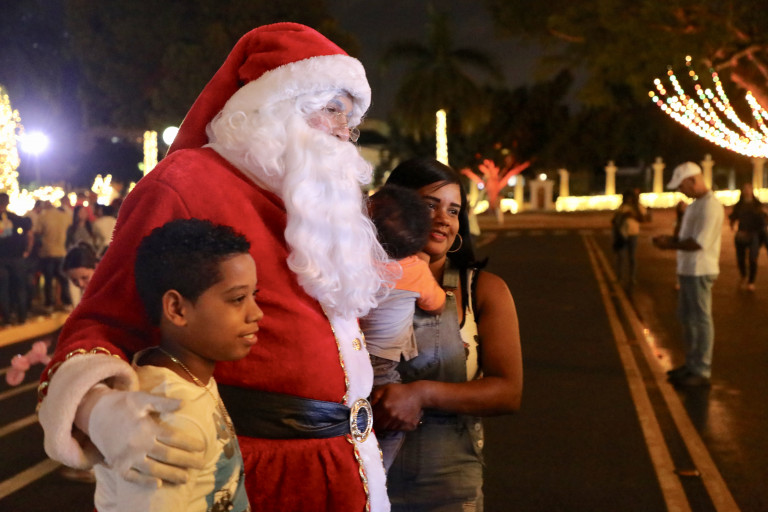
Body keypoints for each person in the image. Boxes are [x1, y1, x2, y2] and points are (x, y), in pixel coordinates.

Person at [37, 23, 391, 512]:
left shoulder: (315, 199)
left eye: (350, 120)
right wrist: (100, 407)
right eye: (333, 109)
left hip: (343, 468)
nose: (344, 133)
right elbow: (104, 319)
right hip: (255, 477)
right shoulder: (188, 184)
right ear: (277, 106)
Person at [374, 157, 523, 512]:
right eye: (430, 205)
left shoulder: (483, 290)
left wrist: (421, 394)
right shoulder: (357, 279)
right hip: (363, 477)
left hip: (448, 489)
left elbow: (508, 391)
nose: (444, 219)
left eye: (454, 211)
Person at [90, 219, 259, 512]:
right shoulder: (170, 413)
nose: (256, 313)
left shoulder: (183, 375)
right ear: (177, 309)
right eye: (238, 299)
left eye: (254, 295)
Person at [360, 184, 446, 471]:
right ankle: (378, 474)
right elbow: (436, 305)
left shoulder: (354, 261)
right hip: (384, 364)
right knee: (391, 427)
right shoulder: (416, 270)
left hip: (348, 355)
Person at [653, 162, 724, 388]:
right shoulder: (695, 206)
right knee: (688, 319)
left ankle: (701, 369)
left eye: (681, 186)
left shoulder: (711, 207)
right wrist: (671, 238)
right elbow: (684, 236)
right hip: (687, 269)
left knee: (700, 320)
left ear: (693, 181)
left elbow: (698, 243)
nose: (680, 191)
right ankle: (692, 364)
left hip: (700, 270)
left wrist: (669, 244)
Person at [0, 192, 33, 325]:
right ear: (8, 202)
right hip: (17, 257)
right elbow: (30, 234)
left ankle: (7, 318)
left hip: (1, 259)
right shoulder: (16, 218)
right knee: (20, 287)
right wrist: (27, 251)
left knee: (3, 289)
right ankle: (22, 317)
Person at [728, 182, 765, 291]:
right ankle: (743, 275)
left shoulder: (757, 204)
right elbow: (734, 216)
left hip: (754, 234)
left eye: (749, 188)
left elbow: (763, 220)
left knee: (753, 258)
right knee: (740, 258)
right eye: (745, 189)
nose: (747, 191)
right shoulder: (739, 204)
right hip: (741, 234)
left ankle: (751, 281)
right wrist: (732, 224)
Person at [35, 201, 72, 310]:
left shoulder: (43, 216)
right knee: (63, 279)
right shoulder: (64, 216)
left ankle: (49, 304)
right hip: (61, 251)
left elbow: (38, 231)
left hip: (47, 251)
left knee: (48, 279)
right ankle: (67, 302)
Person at [611, 189, 647, 285]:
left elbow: (643, 219)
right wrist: (623, 216)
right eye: (627, 197)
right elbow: (614, 220)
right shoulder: (622, 207)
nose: (629, 199)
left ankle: (632, 278)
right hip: (622, 234)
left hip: (633, 233)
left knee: (632, 257)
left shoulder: (638, 207)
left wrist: (632, 215)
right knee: (621, 257)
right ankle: (620, 277)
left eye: (630, 197)